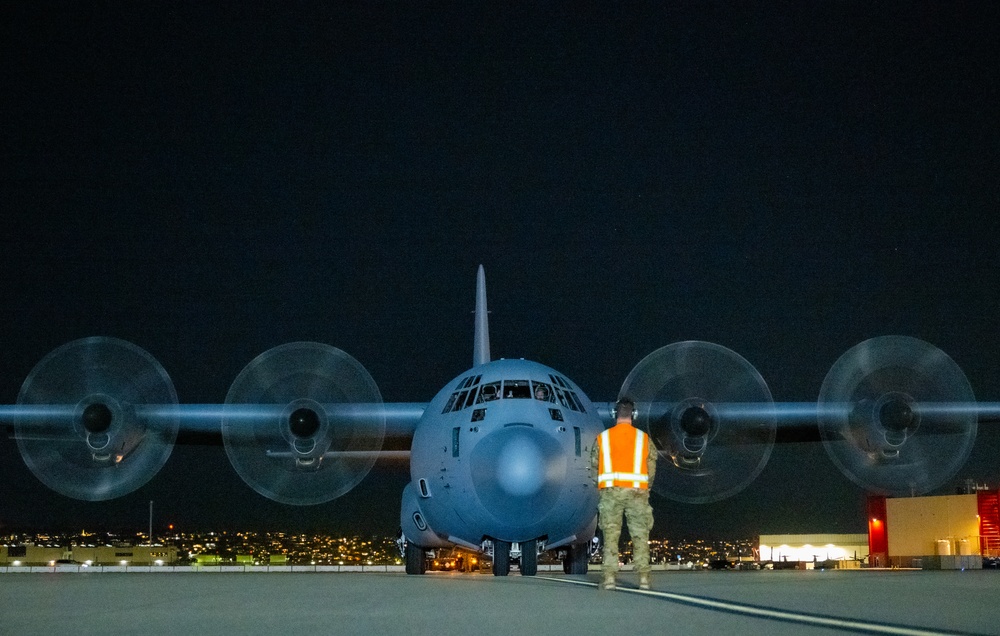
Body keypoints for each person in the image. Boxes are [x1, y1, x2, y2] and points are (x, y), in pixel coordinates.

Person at [592, 397, 657, 590]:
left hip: (610, 493)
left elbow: (594, 466)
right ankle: (644, 580)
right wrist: (646, 487)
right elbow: (651, 467)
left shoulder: (603, 438)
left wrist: (602, 485)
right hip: (638, 493)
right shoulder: (643, 439)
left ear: (614, 415)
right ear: (634, 415)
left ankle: (609, 579)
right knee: (639, 535)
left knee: (611, 536)